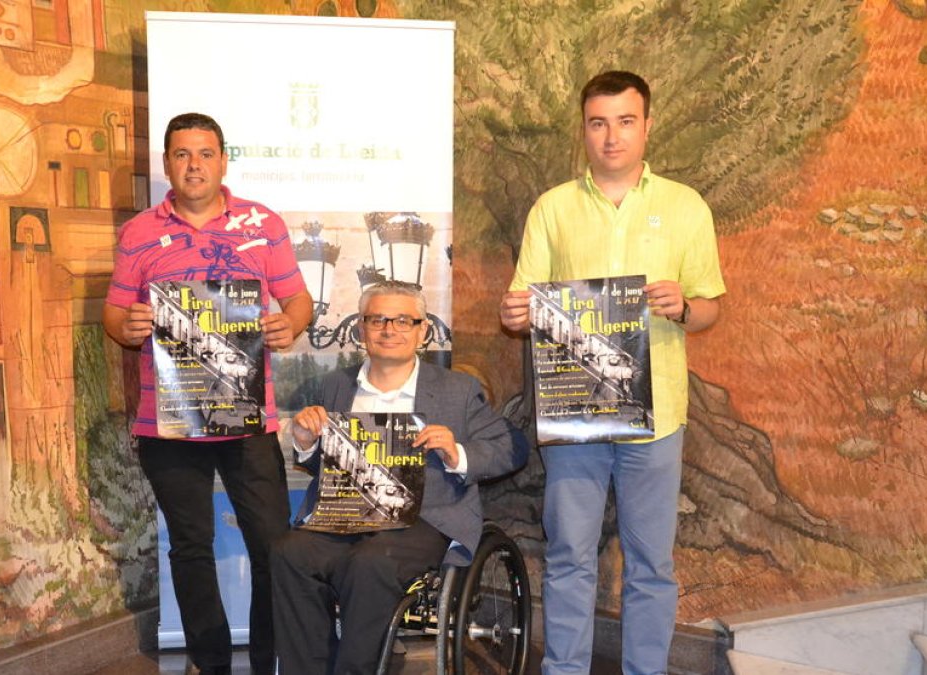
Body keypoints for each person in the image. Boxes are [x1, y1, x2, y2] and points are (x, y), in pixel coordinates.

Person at [499, 71, 726, 675]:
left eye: (626, 121)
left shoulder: (685, 206)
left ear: (647, 125)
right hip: (576, 415)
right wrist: (513, 312)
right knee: (570, 554)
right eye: (599, 122)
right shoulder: (553, 207)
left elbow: (709, 308)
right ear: (585, 129)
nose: (612, 136)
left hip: (658, 417)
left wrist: (684, 306)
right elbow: (521, 303)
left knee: (652, 563)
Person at [103, 112, 313, 675]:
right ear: (167, 163)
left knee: (273, 547)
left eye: (204, 153)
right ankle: (211, 663)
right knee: (191, 548)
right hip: (168, 420)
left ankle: (269, 661)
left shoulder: (263, 224)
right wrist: (127, 327)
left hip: (247, 418)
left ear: (223, 160)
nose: (193, 165)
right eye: (181, 154)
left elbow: (298, 302)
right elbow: (114, 313)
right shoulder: (140, 232)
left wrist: (287, 325)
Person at [272, 281, 528, 674]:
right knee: (289, 553)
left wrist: (457, 450)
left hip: (423, 518)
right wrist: (306, 444)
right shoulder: (336, 385)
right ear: (361, 329)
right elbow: (324, 465)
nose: (389, 329)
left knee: (370, 563)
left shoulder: (457, 390)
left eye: (403, 321)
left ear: (423, 330)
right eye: (378, 319)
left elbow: (512, 446)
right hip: (344, 516)